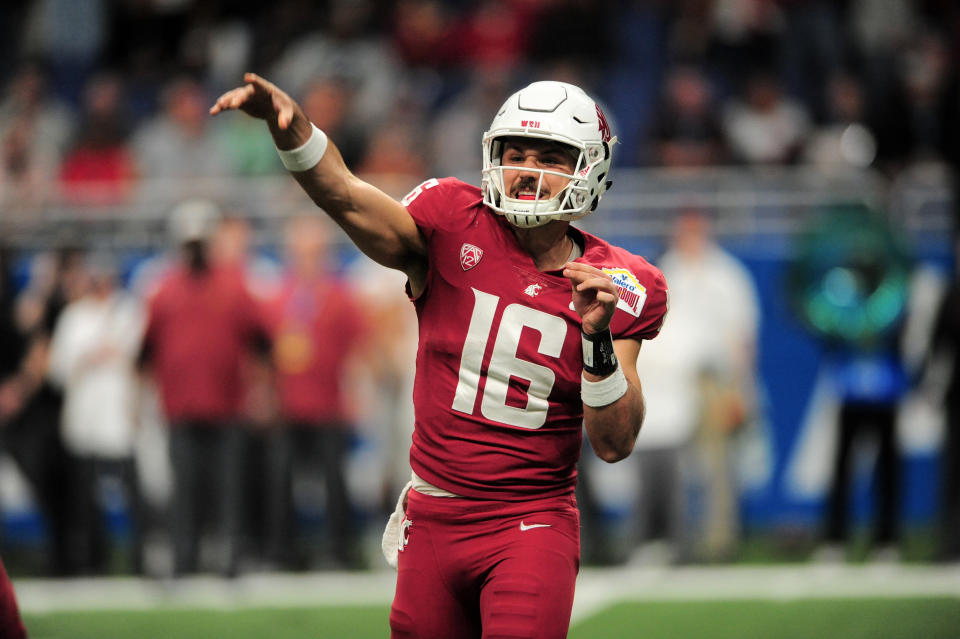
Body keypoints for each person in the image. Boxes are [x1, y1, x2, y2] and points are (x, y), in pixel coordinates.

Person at [211, 73, 667, 638]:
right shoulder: (452, 219)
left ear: (588, 168)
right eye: (514, 152)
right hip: (432, 517)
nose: (525, 170)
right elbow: (349, 197)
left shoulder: (620, 281)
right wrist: (297, 134)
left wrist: (595, 339)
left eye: (548, 157)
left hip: (529, 520)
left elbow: (615, 442)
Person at [139, 198, 270, 577]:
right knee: (185, 492)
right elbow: (145, 352)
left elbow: (262, 343)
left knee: (229, 491)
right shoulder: (163, 292)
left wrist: (262, 392)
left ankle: (229, 561)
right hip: (180, 408)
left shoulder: (234, 287)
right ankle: (184, 561)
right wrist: (141, 402)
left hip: (228, 406)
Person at [261, 215, 368, 570]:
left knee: (335, 482)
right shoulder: (278, 296)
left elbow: (357, 348)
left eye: (314, 251)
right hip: (287, 405)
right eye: (301, 251)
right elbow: (264, 353)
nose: (307, 258)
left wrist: (355, 392)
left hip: (329, 405)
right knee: (280, 482)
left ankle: (339, 550)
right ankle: (282, 551)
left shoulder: (338, 295)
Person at [47, 252, 146, 574]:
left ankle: (139, 558)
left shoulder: (131, 311)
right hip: (86, 418)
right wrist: (89, 357)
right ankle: (92, 559)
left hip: (122, 416)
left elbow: (140, 362)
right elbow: (58, 371)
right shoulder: (74, 317)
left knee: (134, 493)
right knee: (84, 496)